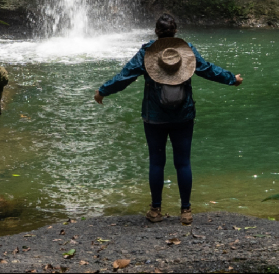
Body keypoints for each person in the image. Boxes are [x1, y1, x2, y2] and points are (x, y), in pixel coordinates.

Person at [94, 14, 243, 225]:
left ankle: (155, 210)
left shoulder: (147, 52)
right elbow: (207, 69)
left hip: (154, 117)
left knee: (156, 162)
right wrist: (232, 79)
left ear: (156, 31)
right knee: (183, 162)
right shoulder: (185, 51)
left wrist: (102, 91)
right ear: (175, 32)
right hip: (183, 115)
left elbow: (125, 76)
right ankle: (186, 212)